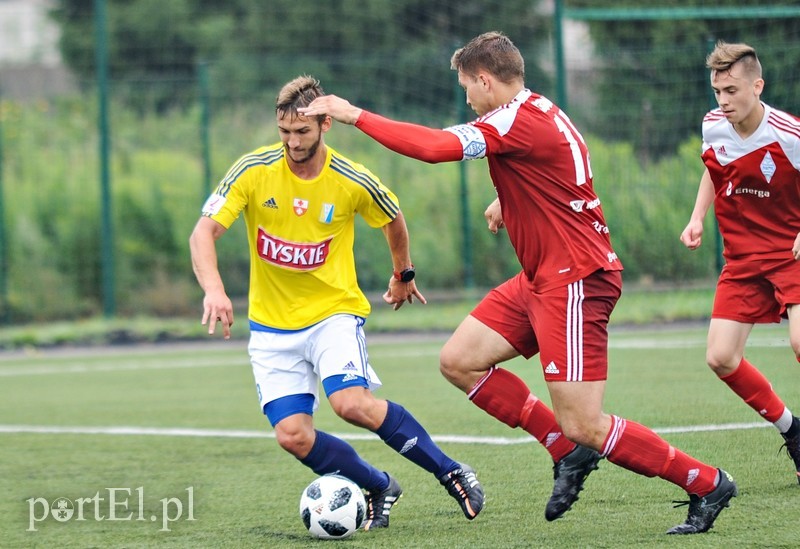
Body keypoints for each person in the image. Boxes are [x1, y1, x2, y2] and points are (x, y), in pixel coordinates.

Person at [299, 31, 737, 535]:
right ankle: (564, 450)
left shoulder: (509, 121)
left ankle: (706, 483)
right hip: (540, 278)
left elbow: (435, 147)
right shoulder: (540, 111)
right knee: (459, 361)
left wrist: (355, 114)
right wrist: (511, 201)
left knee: (586, 424)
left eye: (467, 87)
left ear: (485, 80)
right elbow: (564, 172)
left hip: (575, 279)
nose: (466, 98)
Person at [189, 75, 485, 531]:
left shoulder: (350, 178)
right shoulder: (253, 170)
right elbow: (203, 232)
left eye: (302, 132)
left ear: (326, 124)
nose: (291, 142)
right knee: (292, 436)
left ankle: (451, 471)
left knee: (351, 404)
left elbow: (393, 217)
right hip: (271, 327)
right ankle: (379, 484)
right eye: (284, 131)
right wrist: (213, 289)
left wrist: (403, 273)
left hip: (332, 315)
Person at [680, 41, 800, 483]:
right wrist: (696, 218)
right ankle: (793, 430)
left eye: (731, 90)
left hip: (791, 253)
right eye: (717, 92)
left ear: (758, 85)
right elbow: (714, 170)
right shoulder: (714, 126)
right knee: (721, 356)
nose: (723, 101)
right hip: (744, 259)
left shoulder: (789, 133)